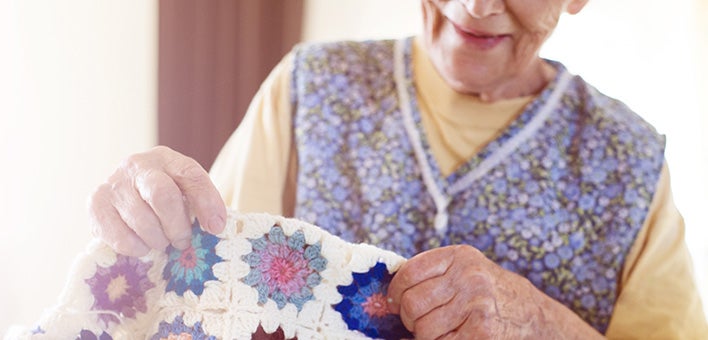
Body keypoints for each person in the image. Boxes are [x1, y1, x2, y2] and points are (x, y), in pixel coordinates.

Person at [87, 0, 708, 338]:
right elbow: (191, 283)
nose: (476, 6)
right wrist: (145, 213)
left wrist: (536, 322)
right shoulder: (309, 89)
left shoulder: (630, 162)